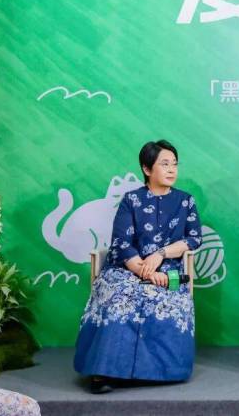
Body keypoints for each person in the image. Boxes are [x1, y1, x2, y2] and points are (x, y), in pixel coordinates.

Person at [74, 140, 202, 393]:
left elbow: (194, 238)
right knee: (119, 298)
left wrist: (161, 254)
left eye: (175, 164)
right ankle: (104, 372)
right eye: (164, 164)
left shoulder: (185, 201)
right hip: (126, 268)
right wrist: (146, 271)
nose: (172, 169)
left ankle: (157, 373)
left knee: (166, 300)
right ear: (146, 168)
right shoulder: (131, 200)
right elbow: (122, 243)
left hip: (168, 269)